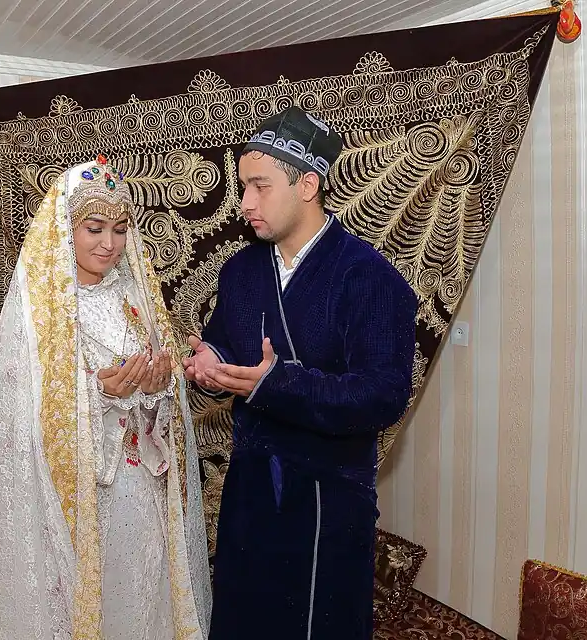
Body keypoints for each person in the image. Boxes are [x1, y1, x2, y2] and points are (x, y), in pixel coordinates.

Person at [182, 106, 418, 639]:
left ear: (307, 183)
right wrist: (211, 360)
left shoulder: (370, 278)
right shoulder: (240, 271)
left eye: (260, 187)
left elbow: (384, 395)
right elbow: (226, 338)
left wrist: (278, 383)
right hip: (249, 491)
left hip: (327, 500)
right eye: (243, 186)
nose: (244, 203)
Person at [0, 156, 211, 640]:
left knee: (144, 602)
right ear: (67, 228)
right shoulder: (39, 310)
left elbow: (164, 411)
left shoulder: (137, 297)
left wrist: (156, 392)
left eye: (120, 228)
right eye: (94, 228)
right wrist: (99, 394)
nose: (109, 244)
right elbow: (26, 417)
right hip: (81, 498)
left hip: (140, 491)